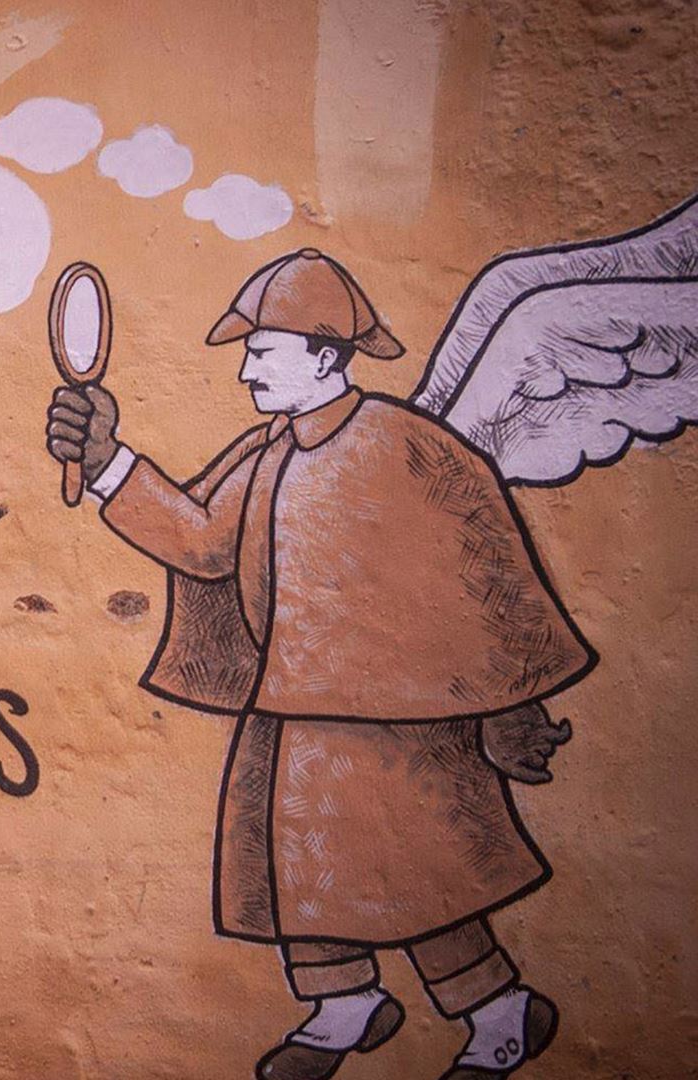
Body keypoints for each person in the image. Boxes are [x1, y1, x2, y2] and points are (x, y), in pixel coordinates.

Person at [44, 249, 593, 1080]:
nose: (247, 372)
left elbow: (481, 577)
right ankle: (345, 1005)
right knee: (287, 860)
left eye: (263, 352)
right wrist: (106, 458)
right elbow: (201, 540)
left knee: (422, 870)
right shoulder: (267, 452)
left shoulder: (406, 448)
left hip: (401, 723)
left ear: (327, 356)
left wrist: (508, 707)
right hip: (291, 706)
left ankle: (499, 1009)